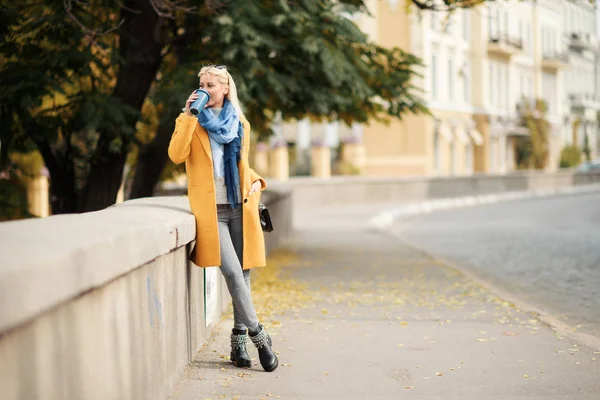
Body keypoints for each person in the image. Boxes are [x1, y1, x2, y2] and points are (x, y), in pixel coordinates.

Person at [168, 65, 278, 372]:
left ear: (225, 89)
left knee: (243, 274)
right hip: (211, 212)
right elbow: (176, 155)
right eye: (200, 84)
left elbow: (241, 165)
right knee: (231, 272)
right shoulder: (190, 122)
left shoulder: (239, 123)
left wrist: (257, 181)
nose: (204, 89)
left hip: (239, 206)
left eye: (211, 85)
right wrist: (189, 116)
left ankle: (238, 341)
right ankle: (259, 337)